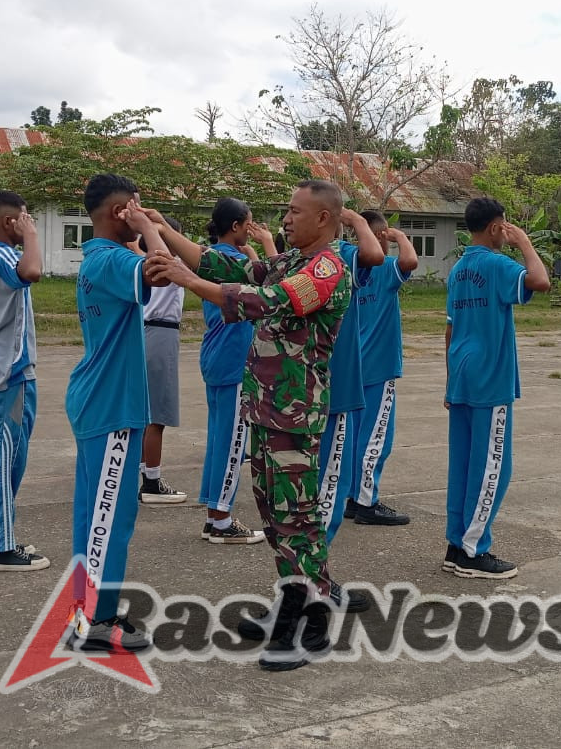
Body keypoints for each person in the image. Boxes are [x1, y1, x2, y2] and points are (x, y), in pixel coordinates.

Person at [146, 180, 358, 671]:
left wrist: (187, 281)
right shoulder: (294, 260)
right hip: (266, 410)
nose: (286, 219)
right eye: (287, 210)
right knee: (276, 516)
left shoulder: (327, 268)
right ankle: (291, 602)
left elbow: (268, 300)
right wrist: (161, 229)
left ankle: (313, 623)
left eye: (295, 211)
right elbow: (228, 266)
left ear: (323, 218)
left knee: (298, 518)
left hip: (295, 414)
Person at [64, 174, 167, 651]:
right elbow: (162, 270)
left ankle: (87, 608)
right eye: (135, 205)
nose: (141, 211)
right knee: (110, 517)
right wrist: (148, 228)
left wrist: (142, 226)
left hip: (100, 399)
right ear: (118, 211)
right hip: (111, 403)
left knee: (93, 515)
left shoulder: (98, 258)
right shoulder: (112, 259)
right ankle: (95, 621)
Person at [443, 197, 550, 579]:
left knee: (463, 464)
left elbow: (450, 328)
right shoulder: (496, 264)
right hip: (490, 377)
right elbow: (541, 281)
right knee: (492, 467)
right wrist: (525, 243)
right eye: (504, 226)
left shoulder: (459, 269)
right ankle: (472, 551)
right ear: (494, 228)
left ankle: (456, 544)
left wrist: (449, 379)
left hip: (462, 373)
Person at [0, 191, 47, 572]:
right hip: (9, 372)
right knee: (4, 459)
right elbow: (32, 272)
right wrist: (31, 236)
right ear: (8, 222)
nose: (29, 223)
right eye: (25, 217)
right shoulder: (1, 255)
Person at [195, 198, 268, 545]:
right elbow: (269, 288)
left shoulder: (210, 259)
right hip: (235, 359)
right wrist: (257, 252)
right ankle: (221, 519)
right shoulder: (237, 262)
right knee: (233, 443)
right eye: (248, 223)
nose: (251, 230)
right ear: (236, 226)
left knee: (218, 438)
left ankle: (214, 514)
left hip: (215, 354)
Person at [345, 210, 419, 526]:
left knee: (354, 438)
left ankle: (353, 497)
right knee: (376, 438)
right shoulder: (385, 268)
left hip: (353, 367)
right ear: (379, 237)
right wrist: (400, 236)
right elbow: (410, 261)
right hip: (379, 366)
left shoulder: (350, 267)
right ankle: (366, 502)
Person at [316, 209, 384, 545]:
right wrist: (356, 221)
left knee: (313, 476)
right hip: (337, 382)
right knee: (331, 478)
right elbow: (375, 255)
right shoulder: (339, 256)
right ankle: (313, 567)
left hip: (308, 382)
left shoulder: (296, 259)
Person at [138, 215, 189, 506]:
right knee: (158, 415)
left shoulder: (142, 263)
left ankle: (143, 472)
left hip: (143, 331)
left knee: (145, 411)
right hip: (162, 332)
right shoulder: (172, 263)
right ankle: (152, 482)